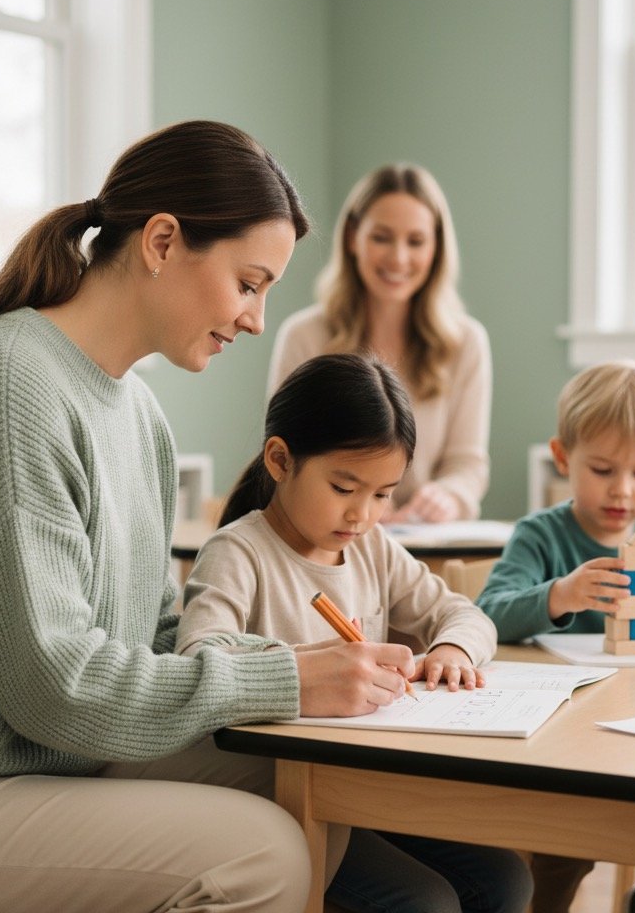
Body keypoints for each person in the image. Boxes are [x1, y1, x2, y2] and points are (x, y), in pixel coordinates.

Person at [0, 120, 421, 913]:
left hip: (34, 758)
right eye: (250, 282)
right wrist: (285, 675)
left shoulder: (138, 414)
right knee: (262, 858)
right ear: (161, 241)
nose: (257, 319)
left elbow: (148, 639)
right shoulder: (10, 386)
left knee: (315, 778)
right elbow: (57, 686)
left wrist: (302, 668)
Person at [177, 353, 533, 913]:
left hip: (367, 785)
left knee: (506, 879)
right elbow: (199, 655)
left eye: (383, 493)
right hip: (287, 791)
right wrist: (305, 665)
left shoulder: (370, 548)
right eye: (344, 487)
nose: (363, 513)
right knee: (427, 902)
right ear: (280, 460)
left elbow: (467, 614)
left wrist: (451, 648)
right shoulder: (236, 553)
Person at [476, 359, 635, 913]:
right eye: (602, 469)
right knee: (562, 849)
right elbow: (486, 614)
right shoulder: (542, 535)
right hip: (569, 738)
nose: (622, 491)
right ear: (564, 458)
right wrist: (559, 595)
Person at [267, 163, 491, 523]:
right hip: (332, 537)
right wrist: (363, 502)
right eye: (381, 237)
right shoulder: (304, 336)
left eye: (415, 241)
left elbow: (467, 465)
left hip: (426, 541)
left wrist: (448, 496)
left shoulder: (466, 343)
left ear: (436, 249)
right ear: (353, 237)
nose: (398, 258)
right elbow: (284, 458)